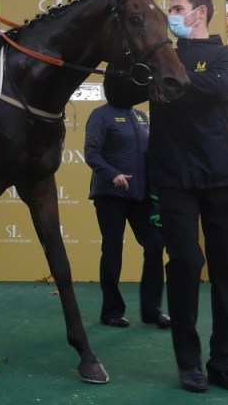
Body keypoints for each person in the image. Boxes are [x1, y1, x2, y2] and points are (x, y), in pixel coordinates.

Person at [136, 0, 228, 393]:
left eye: (176, 8)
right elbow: (118, 94)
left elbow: (222, 88)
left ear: (199, 13)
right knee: (185, 265)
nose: (171, 14)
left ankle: (224, 363)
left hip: (223, 177)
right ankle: (189, 364)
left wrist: (173, 79)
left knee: (227, 272)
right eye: (169, 9)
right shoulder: (157, 57)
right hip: (173, 178)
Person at [84, 84, 169, 330]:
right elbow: (91, 152)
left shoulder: (141, 117)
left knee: (155, 245)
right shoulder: (100, 115)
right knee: (112, 250)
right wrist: (113, 174)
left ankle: (152, 310)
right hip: (111, 193)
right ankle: (111, 311)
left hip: (140, 194)